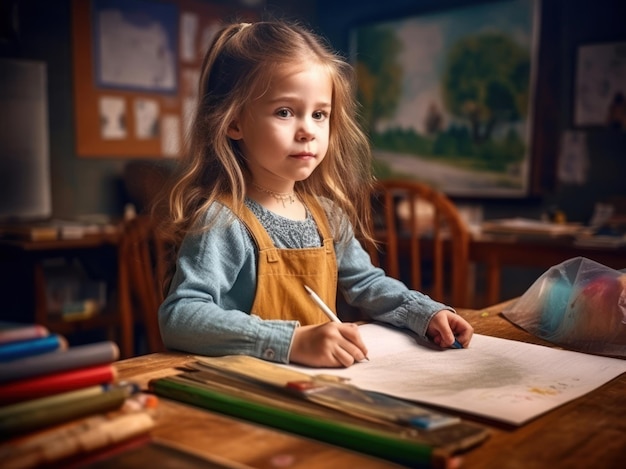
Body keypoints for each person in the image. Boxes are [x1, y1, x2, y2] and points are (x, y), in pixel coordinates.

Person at [157, 20, 473, 368]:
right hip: (250, 393)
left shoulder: (327, 214)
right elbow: (180, 316)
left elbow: (367, 283)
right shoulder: (223, 220)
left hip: (318, 388)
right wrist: (289, 340)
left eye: (320, 114)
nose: (308, 130)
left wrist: (424, 313)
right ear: (234, 123)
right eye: (285, 112)